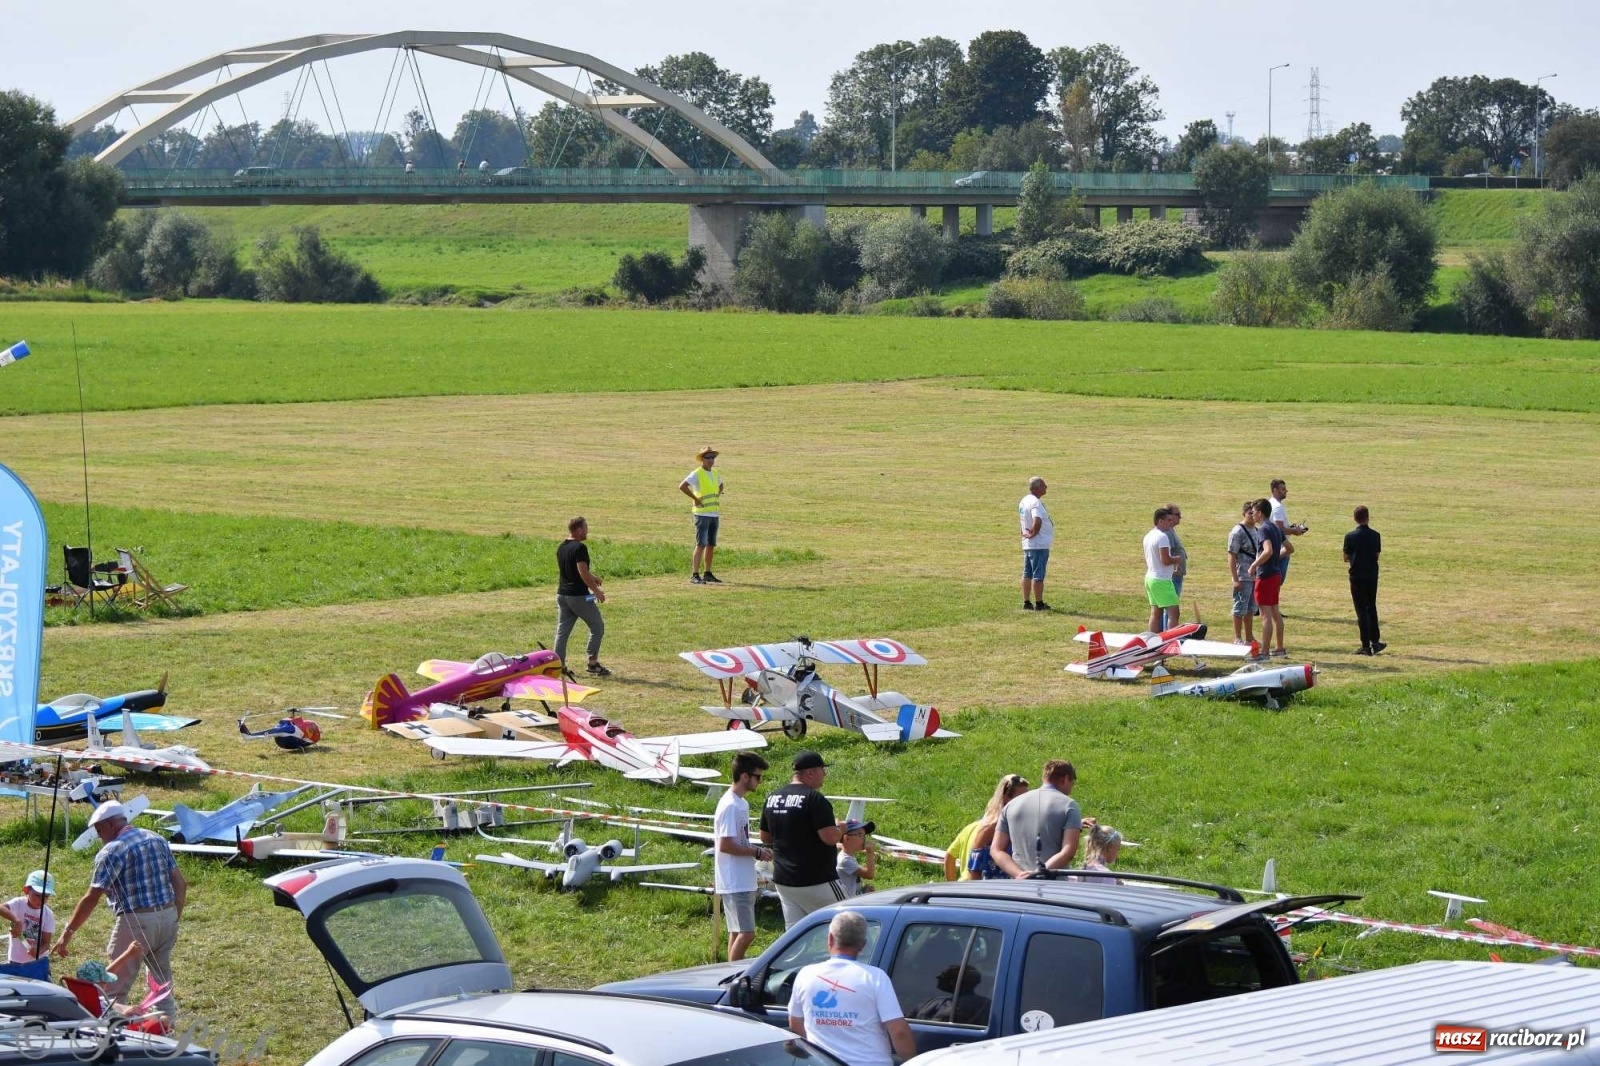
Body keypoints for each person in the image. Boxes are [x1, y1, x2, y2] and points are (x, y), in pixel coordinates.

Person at [54, 800, 186, 1017]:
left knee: (113, 989)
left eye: (98, 830)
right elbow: (180, 884)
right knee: (162, 985)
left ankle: (117, 1037)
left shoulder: (113, 850)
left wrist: (68, 931)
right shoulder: (156, 838)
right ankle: (166, 1032)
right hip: (167, 917)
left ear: (110, 825)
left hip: (137, 922)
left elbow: (91, 897)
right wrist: (174, 917)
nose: (98, 836)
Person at [788, 911, 916, 1066]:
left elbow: (796, 1026)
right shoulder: (875, 977)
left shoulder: (806, 975)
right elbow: (899, 1031)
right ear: (863, 944)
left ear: (830, 938)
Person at [759, 751, 844, 927]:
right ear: (810, 773)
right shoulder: (814, 799)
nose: (825, 774)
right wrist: (842, 829)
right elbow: (829, 838)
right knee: (849, 923)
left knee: (795, 934)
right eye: (822, 769)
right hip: (816, 879)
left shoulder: (772, 797)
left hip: (784, 880)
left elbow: (765, 836)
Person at [715, 751, 772, 962]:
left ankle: (730, 974)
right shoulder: (731, 805)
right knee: (747, 934)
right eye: (758, 776)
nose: (760, 781)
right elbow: (726, 845)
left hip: (741, 878)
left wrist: (759, 850)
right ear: (745, 776)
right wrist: (757, 852)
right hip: (735, 880)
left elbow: (740, 841)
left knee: (737, 933)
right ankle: (731, 980)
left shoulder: (741, 803)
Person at [992, 760, 1083, 878]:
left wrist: (1019, 874)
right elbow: (1068, 851)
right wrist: (1039, 873)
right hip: (1053, 886)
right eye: (1072, 784)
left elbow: (996, 849)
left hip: (1020, 887)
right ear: (1065, 779)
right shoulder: (1069, 805)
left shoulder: (1011, 805)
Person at [554, 516, 609, 677]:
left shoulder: (561, 547)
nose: (587, 531)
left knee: (562, 632)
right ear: (578, 530)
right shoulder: (580, 548)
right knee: (597, 627)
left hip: (562, 595)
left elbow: (573, 570)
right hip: (579, 597)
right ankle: (592, 663)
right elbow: (581, 571)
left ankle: (559, 666)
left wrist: (593, 578)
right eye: (585, 528)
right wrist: (596, 591)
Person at [963, 772, 1031, 880]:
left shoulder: (1021, 823)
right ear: (1006, 797)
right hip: (992, 890)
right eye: (1020, 799)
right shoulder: (991, 826)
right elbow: (974, 864)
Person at [679, 445, 725, 585]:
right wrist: (695, 498)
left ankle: (707, 573)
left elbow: (721, 485)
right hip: (702, 514)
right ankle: (694, 574)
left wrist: (718, 493)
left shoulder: (715, 473)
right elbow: (683, 486)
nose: (711, 460)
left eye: (713, 457)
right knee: (701, 544)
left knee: (711, 544)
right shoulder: (697, 473)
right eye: (708, 457)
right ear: (702, 459)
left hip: (714, 514)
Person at [1249, 498, 1288, 659]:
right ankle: (1279, 648)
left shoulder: (1263, 529)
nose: (1252, 515)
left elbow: (1268, 551)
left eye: (1253, 512)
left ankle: (1264, 652)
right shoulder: (1275, 527)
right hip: (1275, 573)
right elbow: (1289, 548)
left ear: (1259, 512)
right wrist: (1274, 561)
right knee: (1275, 611)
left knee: (1265, 614)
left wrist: (1254, 565)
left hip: (1265, 575)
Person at [1345, 505, 1386, 655]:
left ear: (1355, 519)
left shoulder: (1350, 537)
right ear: (1368, 517)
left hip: (1356, 576)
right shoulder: (1376, 535)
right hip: (1371, 574)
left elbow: (1345, 557)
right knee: (1371, 607)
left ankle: (1365, 645)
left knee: (1360, 610)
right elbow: (1376, 555)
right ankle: (1375, 641)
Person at [911, 964, 992, 1026]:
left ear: (953, 982)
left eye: (943, 975)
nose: (937, 977)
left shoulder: (954, 1008)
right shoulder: (987, 1004)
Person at [2, 870, 56, 963]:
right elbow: (1, 907)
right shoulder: (18, 903)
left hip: (38, 961)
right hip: (16, 959)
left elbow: (46, 943)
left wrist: (39, 951)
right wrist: (17, 921)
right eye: (38, 895)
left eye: (46, 896)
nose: (42, 900)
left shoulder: (48, 914)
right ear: (26, 890)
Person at [1143, 508, 1181, 632]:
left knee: (1155, 613)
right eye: (1168, 520)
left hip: (1150, 578)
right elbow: (1165, 560)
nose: (1171, 522)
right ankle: (1171, 641)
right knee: (1174, 613)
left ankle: (1153, 642)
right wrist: (1176, 560)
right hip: (1162, 580)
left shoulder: (1148, 536)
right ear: (1160, 521)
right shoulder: (1162, 537)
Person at [1018, 476, 1054, 611]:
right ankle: (1039, 604)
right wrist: (1033, 533)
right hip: (1038, 544)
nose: (1046, 487)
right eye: (1044, 485)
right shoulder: (1035, 503)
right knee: (1038, 575)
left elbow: (1023, 520)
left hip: (1028, 544)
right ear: (1038, 488)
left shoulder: (1024, 501)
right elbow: (1037, 520)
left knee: (1027, 573)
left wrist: (1026, 534)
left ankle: (1026, 602)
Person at [1228, 501, 1261, 645]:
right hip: (1242, 575)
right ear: (1244, 514)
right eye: (1250, 513)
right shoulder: (1237, 531)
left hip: (1255, 576)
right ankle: (1237, 637)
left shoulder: (1257, 531)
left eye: (1254, 513)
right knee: (1239, 608)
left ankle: (1249, 637)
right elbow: (1231, 555)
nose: (1252, 516)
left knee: (1250, 609)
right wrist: (1235, 579)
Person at [1268, 479, 1308, 582]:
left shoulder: (1270, 503)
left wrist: (1290, 527)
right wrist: (1295, 531)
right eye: (1283, 489)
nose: (1286, 491)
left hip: (1272, 545)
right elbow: (1279, 528)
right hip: (1280, 548)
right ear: (1275, 490)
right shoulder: (1277, 507)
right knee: (1277, 581)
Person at [1162, 502, 1188, 628]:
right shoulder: (1167, 533)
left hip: (1176, 574)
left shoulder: (1170, 531)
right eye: (1178, 514)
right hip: (1173, 576)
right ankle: (1167, 635)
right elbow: (1167, 554)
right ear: (1169, 516)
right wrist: (1175, 569)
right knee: (1171, 610)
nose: (1180, 517)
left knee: (1170, 609)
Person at [836, 819, 877, 897]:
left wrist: (863, 889)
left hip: (852, 901)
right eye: (860, 835)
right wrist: (870, 853)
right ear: (847, 839)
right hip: (847, 904)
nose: (864, 839)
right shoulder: (845, 860)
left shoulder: (849, 857)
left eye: (864, 835)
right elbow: (869, 874)